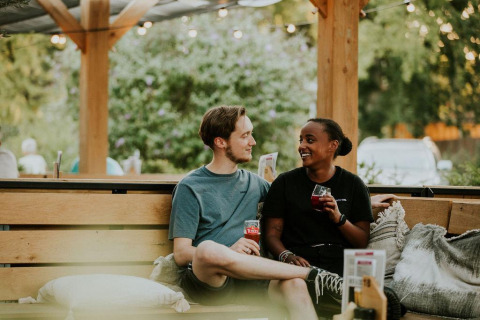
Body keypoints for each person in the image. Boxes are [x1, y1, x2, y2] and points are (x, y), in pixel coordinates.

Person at [168, 106, 342, 320]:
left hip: (253, 279)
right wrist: (229, 251)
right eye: (245, 135)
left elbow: (299, 205)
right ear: (220, 142)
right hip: (212, 282)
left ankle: (308, 277)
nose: (253, 142)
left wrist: (366, 201)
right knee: (207, 250)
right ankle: (314, 275)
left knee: (294, 285)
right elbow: (181, 253)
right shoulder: (191, 187)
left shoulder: (257, 185)